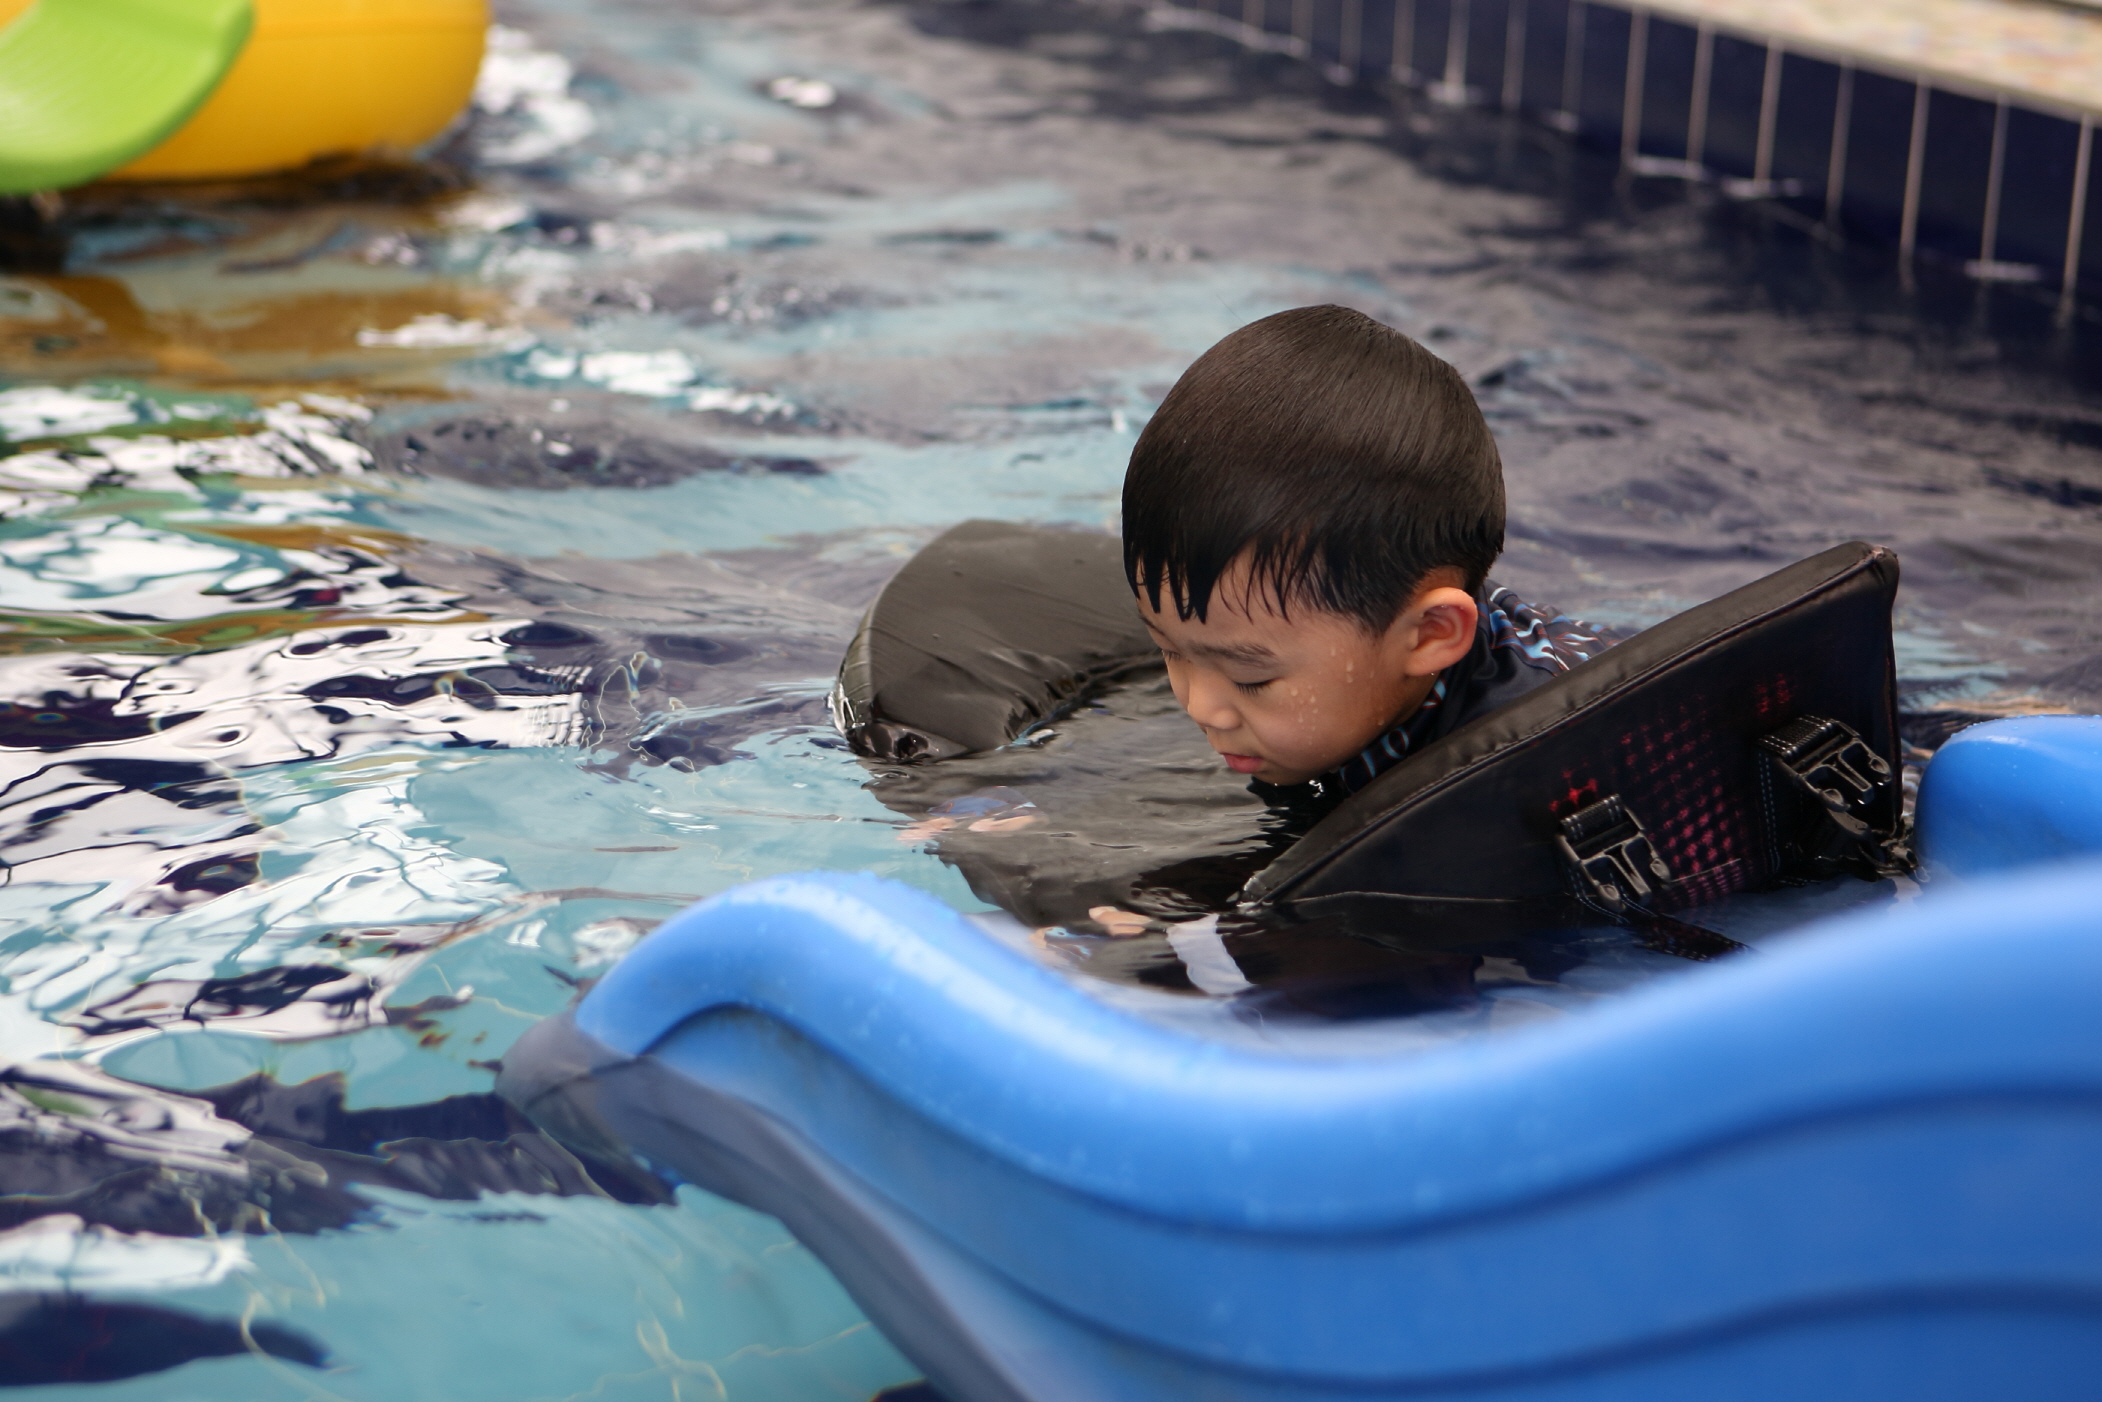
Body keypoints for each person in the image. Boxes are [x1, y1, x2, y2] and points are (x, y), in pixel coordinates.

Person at [1124, 304, 1610, 798]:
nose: (1200, 707)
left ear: (1429, 634)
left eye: (1250, 678)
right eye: (1170, 650)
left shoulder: (1524, 776)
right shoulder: (1368, 608)